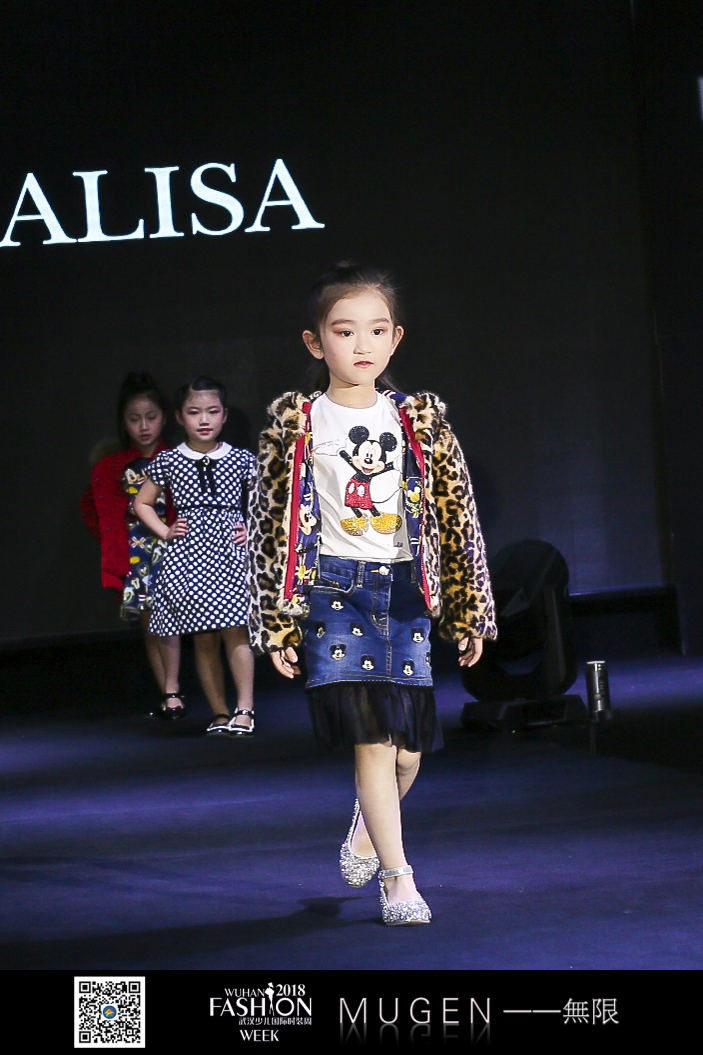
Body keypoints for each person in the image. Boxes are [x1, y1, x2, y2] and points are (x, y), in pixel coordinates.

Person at [248, 263, 496, 925]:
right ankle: (398, 879)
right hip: (334, 590)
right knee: (373, 739)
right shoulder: (295, 426)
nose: (362, 344)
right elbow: (270, 527)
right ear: (314, 341)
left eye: (377, 329)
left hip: (407, 590)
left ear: (396, 338)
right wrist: (276, 621)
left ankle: (366, 828)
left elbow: (458, 515)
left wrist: (469, 607)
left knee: (408, 752)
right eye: (344, 330)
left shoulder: (421, 422)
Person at [134, 376, 256, 736]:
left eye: (212, 411)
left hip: (230, 555)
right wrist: (165, 531)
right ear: (179, 417)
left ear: (224, 415)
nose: (204, 419)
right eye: (194, 412)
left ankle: (245, 710)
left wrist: (252, 529)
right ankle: (219, 712)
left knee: (236, 631)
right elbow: (142, 502)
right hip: (188, 557)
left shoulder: (240, 458)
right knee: (203, 636)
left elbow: (270, 502)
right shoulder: (169, 460)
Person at [81, 372, 182, 715]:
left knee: (175, 623)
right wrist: (113, 543)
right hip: (138, 553)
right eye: (134, 419)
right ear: (123, 423)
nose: (143, 426)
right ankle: (169, 695)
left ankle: (181, 691)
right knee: (150, 625)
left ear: (164, 418)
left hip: (177, 550)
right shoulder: (112, 466)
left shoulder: (178, 458)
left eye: (151, 417)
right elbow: (93, 508)